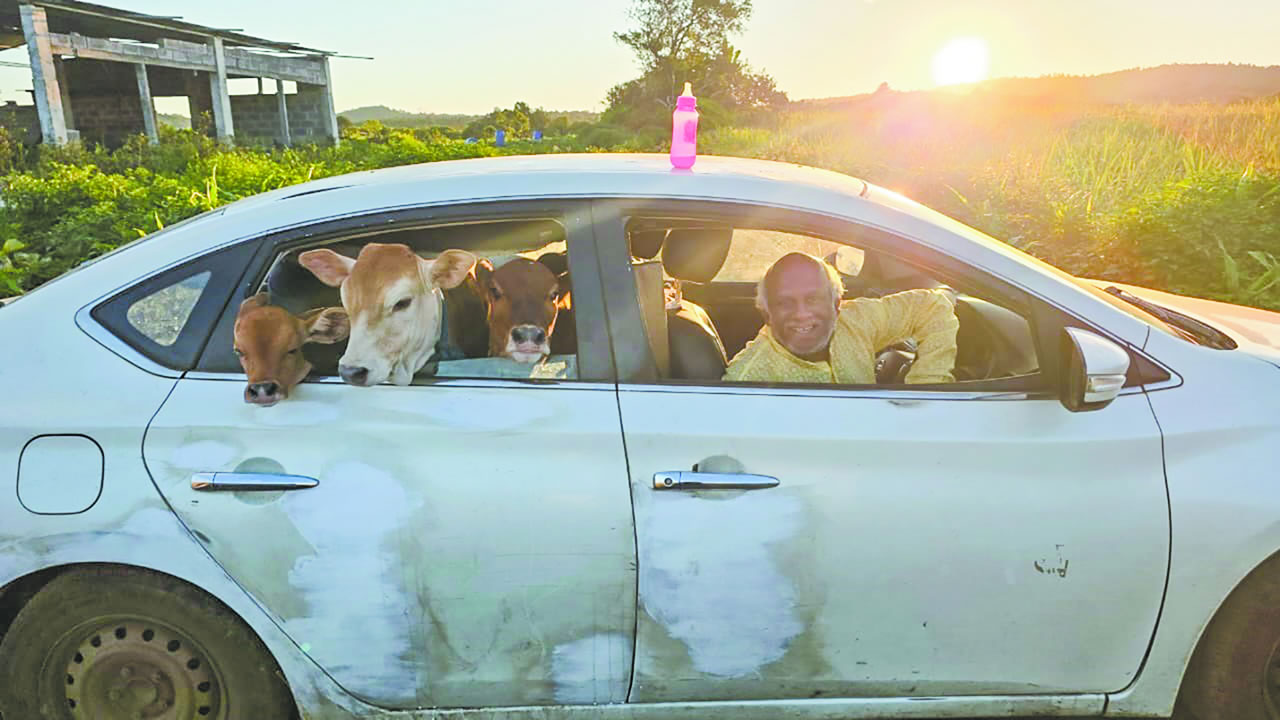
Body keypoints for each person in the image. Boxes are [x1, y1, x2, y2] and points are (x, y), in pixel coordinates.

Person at [724, 252, 958, 384]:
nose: (802, 314)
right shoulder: (747, 379)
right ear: (767, 315)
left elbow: (932, 305)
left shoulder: (856, 319)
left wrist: (926, 387)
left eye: (813, 299)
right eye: (785, 303)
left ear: (837, 304)